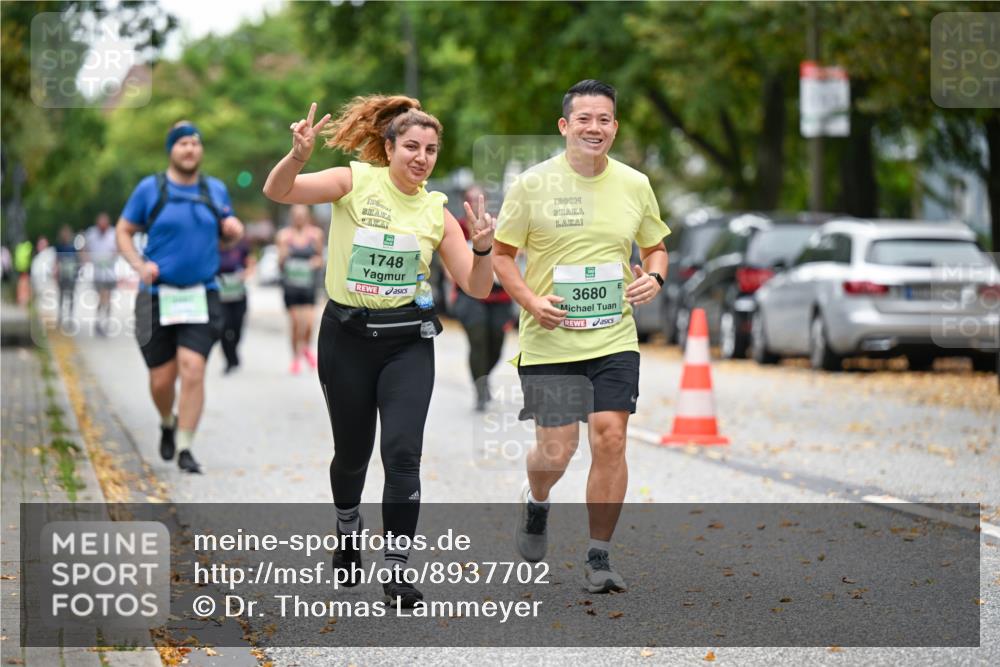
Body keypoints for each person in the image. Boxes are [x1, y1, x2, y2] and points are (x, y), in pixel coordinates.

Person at [263, 97, 495, 608]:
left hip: (407, 343)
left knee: (402, 454)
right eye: (411, 146)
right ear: (388, 147)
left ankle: (397, 569)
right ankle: (347, 527)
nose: (422, 157)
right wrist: (298, 154)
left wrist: (482, 249)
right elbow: (278, 190)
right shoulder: (354, 181)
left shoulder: (437, 211)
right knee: (352, 455)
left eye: (431, 150)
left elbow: (477, 287)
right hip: (346, 338)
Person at [493, 80, 669, 594]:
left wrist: (653, 277)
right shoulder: (531, 185)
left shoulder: (635, 184)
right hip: (550, 341)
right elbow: (503, 256)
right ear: (565, 126)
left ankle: (599, 556)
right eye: (585, 119)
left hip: (613, 337)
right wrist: (531, 301)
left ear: (615, 127)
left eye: (605, 119)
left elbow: (656, 248)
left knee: (610, 437)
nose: (596, 128)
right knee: (556, 452)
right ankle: (537, 500)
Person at [116, 121, 244, 474]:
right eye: (182, 143)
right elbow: (124, 231)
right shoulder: (150, 189)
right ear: (171, 150)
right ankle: (167, 420)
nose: (190, 149)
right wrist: (138, 264)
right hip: (156, 296)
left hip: (202, 294)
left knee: (194, 368)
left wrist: (234, 232)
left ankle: (186, 445)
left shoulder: (214, 189)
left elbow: (227, 237)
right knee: (161, 380)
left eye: (195, 143)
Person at [452, 185, 515, 411]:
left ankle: (484, 375)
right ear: (463, 202)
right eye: (470, 198)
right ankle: (480, 389)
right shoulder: (458, 227)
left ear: (486, 201)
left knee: (496, 343)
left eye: (479, 198)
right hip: (469, 295)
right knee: (478, 339)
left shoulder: (496, 226)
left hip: (498, 296)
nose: (476, 203)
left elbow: (514, 253)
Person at [276, 204, 324, 374]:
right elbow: (280, 264)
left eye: (302, 214)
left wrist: (314, 263)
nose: (299, 217)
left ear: (307, 216)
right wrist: (282, 257)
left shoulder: (316, 235)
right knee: (296, 324)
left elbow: (320, 258)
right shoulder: (283, 236)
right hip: (291, 286)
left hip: (309, 286)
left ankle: (305, 348)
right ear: (291, 216)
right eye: (296, 215)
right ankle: (295, 358)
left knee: (310, 323)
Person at [217, 236, 254, 374]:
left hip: (238, 295)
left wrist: (245, 273)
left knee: (237, 327)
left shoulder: (241, 246)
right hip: (220, 296)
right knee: (223, 328)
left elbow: (251, 264)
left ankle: (233, 351)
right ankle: (230, 360)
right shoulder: (214, 245)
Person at [83, 212, 118, 336]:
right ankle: (100, 321)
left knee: (107, 299)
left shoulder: (113, 234)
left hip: (110, 274)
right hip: (98, 274)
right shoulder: (91, 234)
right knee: (102, 298)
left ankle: (105, 321)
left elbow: (118, 249)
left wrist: (112, 257)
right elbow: (84, 249)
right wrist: (87, 259)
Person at [53, 225, 81, 328]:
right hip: (62, 275)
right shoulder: (59, 247)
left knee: (71, 297)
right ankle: (60, 317)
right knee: (61, 296)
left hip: (71, 275)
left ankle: (70, 317)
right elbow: (56, 260)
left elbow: (77, 260)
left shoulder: (73, 247)